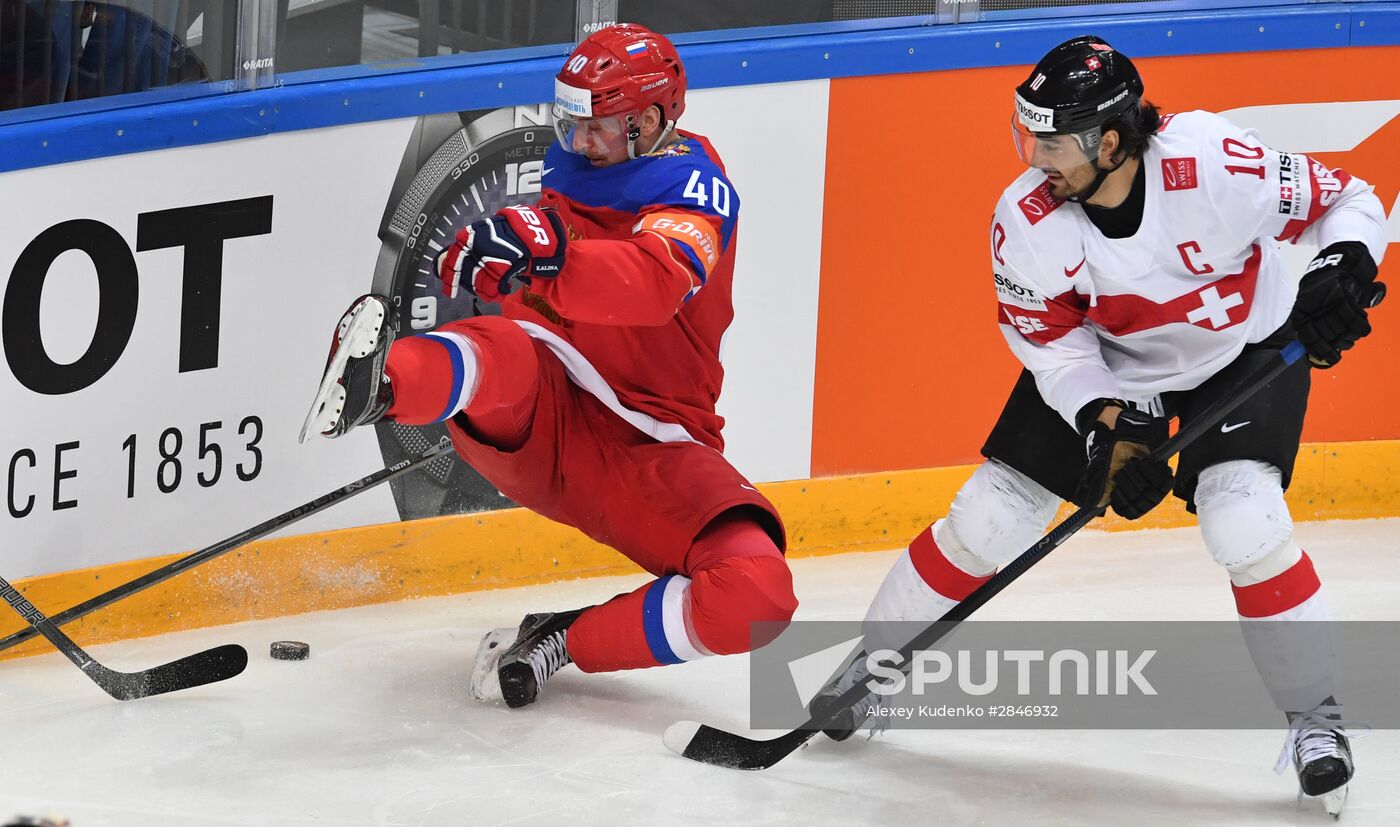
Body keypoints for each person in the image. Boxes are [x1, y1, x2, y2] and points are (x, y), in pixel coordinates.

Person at [812, 35, 1386, 812]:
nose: (1034, 158)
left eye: (1052, 142)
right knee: (990, 515)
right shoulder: (1026, 220)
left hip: (1243, 350)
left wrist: (1341, 265)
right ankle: (875, 660)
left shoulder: (1215, 162)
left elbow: (1349, 200)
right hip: (1113, 367)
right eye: (1029, 136)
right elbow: (1052, 347)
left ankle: (1316, 717)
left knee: (1244, 520)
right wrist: (1106, 424)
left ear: (1110, 142)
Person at [301, 23, 796, 709]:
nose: (577, 142)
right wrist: (500, 259)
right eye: (570, 122)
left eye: (597, 126)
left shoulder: (696, 191)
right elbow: (524, 300)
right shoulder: (576, 163)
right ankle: (382, 386)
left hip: (652, 446)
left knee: (758, 594)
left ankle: (564, 638)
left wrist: (551, 255)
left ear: (651, 121)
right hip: (540, 414)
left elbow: (653, 283)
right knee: (504, 352)